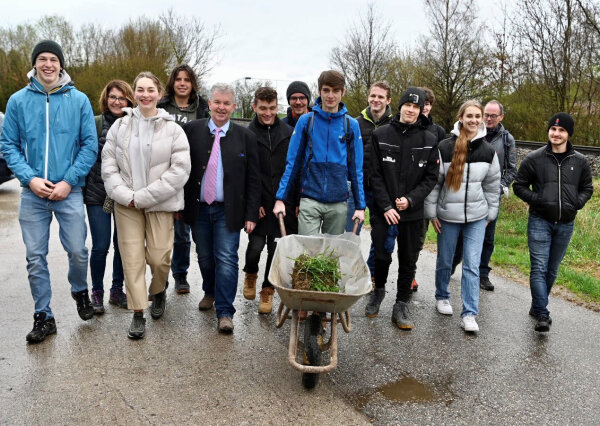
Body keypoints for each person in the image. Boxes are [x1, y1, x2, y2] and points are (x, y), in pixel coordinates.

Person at [0, 40, 97, 343]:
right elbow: (9, 146)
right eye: (42, 59)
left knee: (79, 252)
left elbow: (89, 146)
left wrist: (69, 181)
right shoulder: (17, 101)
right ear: (35, 64)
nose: (48, 64)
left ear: (61, 64)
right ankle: (44, 315)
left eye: (53, 59)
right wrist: (29, 179)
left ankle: (80, 290)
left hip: (68, 190)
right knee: (34, 257)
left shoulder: (79, 100)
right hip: (33, 193)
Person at [102, 71, 191, 339]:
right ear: (135, 94)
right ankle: (138, 312)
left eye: (150, 90)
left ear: (159, 94)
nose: (145, 94)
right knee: (131, 258)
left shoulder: (173, 129)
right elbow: (108, 165)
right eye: (140, 89)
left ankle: (158, 290)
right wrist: (124, 195)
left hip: (160, 203)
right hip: (126, 203)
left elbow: (179, 170)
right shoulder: (120, 126)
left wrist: (145, 196)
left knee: (159, 258)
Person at [182, 83, 260, 333]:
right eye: (217, 102)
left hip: (229, 210)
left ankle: (225, 311)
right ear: (210, 104)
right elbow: (179, 170)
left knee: (226, 258)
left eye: (227, 103)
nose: (221, 107)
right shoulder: (191, 131)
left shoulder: (245, 136)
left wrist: (250, 213)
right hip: (199, 208)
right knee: (205, 256)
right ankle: (210, 291)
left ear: (234, 107)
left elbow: (253, 179)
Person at [424, 100, 500, 333]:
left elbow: (492, 185)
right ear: (461, 118)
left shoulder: (488, 151)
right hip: (448, 215)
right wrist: (432, 211)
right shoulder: (445, 147)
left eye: (478, 116)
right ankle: (442, 296)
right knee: (445, 260)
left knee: (472, 264)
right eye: (470, 116)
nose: (474, 120)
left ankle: (469, 313)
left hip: (477, 217)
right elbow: (435, 183)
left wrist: (490, 213)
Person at [513, 113, 593, 332]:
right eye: (553, 130)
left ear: (568, 134)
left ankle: (538, 305)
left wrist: (576, 203)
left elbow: (588, 188)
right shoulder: (534, 159)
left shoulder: (580, 161)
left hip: (566, 223)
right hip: (540, 220)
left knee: (552, 270)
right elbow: (519, 186)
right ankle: (543, 313)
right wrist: (537, 200)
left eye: (561, 131)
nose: (556, 134)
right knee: (538, 268)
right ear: (549, 131)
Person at [368, 87, 439, 329]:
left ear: (421, 111)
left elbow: (431, 178)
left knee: (408, 259)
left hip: (412, 212)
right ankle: (378, 291)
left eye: (416, 107)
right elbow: (373, 174)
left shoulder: (430, 140)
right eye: (407, 105)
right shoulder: (381, 135)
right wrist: (386, 205)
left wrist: (410, 200)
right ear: (399, 106)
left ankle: (401, 304)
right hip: (383, 210)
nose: (411, 110)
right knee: (380, 254)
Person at [274, 70, 365, 236]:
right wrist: (280, 198)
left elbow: (356, 169)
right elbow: (292, 163)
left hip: (338, 201)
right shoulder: (306, 121)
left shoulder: (351, 125)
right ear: (319, 91)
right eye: (326, 90)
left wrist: (360, 206)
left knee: (331, 256)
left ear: (343, 92)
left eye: (336, 91)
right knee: (308, 253)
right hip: (309, 198)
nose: (331, 96)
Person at [451, 100, 517, 291]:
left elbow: (512, 170)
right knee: (460, 237)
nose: (488, 119)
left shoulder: (507, 139)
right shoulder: (469, 133)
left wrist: (500, 187)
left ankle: (483, 274)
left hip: (490, 196)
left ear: (501, 117)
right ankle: (453, 265)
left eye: (492, 116)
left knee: (487, 237)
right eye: (486, 115)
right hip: (464, 194)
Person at [242, 87, 296, 314]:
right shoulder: (247, 134)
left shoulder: (289, 132)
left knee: (275, 250)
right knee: (255, 247)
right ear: (254, 107)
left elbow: (293, 169)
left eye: (272, 108)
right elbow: (244, 173)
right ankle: (251, 273)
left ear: (278, 108)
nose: (267, 113)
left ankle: (267, 289)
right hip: (259, 202)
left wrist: (287, 200)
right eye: (263, 108)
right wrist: (254, 206)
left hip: (282, 203)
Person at [158, 64, 209, 294]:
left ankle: (180, 274)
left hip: (191, 175)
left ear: (192, 84)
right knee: (161, 230)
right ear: (172, 82)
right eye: (178, 79)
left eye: (187, 79)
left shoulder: (202, 108)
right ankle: (161, 276)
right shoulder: (161, 107)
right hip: (162, 172)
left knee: (182, 230)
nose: (182, 83)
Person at [85, 80, 134, 314]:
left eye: (122, 98)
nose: (117, 101)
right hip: (98, 193)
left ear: (128, 101)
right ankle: (97, 292)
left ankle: (117, 290)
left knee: (122, 245)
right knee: (101, 245)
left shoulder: (134, 125)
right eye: (113, 97)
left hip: (125, 195)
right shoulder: (94, 123)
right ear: (106, 98)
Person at [410, 86, 448, 293]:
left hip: (426, 194)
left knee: (418, 238)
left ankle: (411, 274)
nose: (424, 107)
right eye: (420, 103)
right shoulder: (405, 126)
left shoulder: (438, 132)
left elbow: (440, 168)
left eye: (427, 104)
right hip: (405, 192)